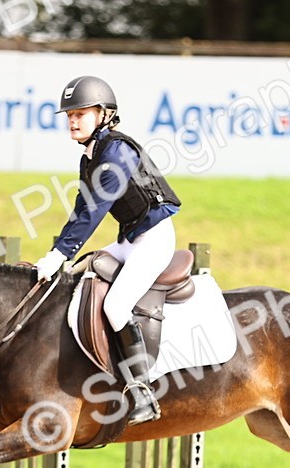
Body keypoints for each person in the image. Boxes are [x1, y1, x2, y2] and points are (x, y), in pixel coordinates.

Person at [34, 75, 181, 426]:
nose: (72, 119)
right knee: (80, 274)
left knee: (115, 304)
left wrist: (58, 254)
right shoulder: (91, 156)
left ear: (104, 114)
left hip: (155, 239)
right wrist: (61, 254)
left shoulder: (117, 151)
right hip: (131, 239)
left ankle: (141, 391)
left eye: (80, 113)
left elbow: (94, 209)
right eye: (69, 114)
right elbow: (81, 208)